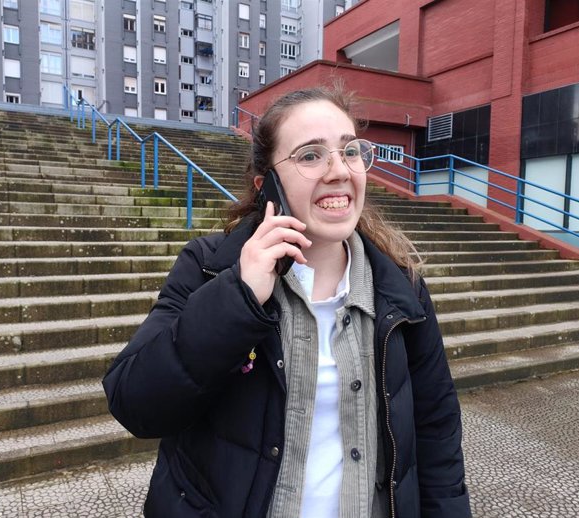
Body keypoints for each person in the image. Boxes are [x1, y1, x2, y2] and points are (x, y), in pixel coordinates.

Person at [103, 86, 471, 518]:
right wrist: (239, 297)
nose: (338, 170)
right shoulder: (209, 268)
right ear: (267, 186)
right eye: (310, 156)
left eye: (350, 151)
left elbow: (437, 434)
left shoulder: (402, 288)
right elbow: (137, 405)